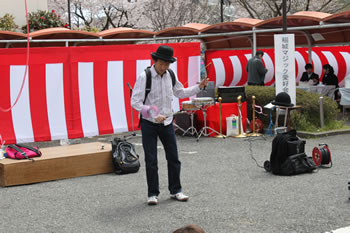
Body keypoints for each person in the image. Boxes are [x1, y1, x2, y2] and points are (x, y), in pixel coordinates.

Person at [131, 45, 208, 205]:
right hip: (149, 123)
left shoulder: (170, 75)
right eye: (162, 64)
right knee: (151, 160)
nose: (164, 67)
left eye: (167, 64)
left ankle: (176, 190)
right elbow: (135, 101)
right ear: (155, 61)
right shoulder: (144, 76)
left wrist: (198, 87)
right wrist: (153, 114)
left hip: (167, 122)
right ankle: (152, 194)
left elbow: (179, 92)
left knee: (174, 158)